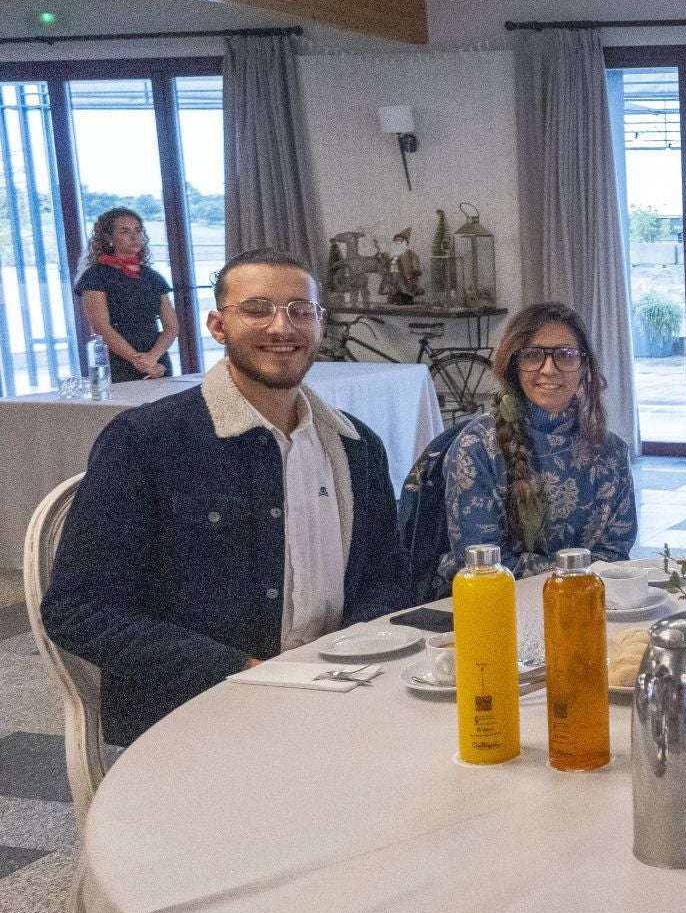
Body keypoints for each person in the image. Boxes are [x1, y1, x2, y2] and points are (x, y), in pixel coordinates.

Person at [41, 250, 409, 745]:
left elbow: (388, 576)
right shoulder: (147, 441)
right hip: (196, 718)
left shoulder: (355, 446)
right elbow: (78, 608)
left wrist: (349, 652)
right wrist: (245, 670)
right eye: (258, 309)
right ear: (218, 326)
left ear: (320, 325)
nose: (283, 327)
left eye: (301, 310)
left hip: (343, 696)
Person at [438, 303, 636, 590]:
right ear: (513, 365)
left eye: (565, 355)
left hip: (584, 606)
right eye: (532, 356)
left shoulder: (612, 451)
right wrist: (576, 575)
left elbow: (616, 556)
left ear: (584, 366)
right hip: (493, 607)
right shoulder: (477, 447)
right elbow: (479, 563)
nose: (549, 369)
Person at [73, 207, 178, 381]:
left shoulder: (151, 276)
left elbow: (172, 326)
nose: (134, 237)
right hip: (117, 360)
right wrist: (137, 360)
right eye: (125, 231)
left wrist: (152, 358)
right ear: (109, 238)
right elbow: (100, 327)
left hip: (156, 359)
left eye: (138, 230)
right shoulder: (95, 275)